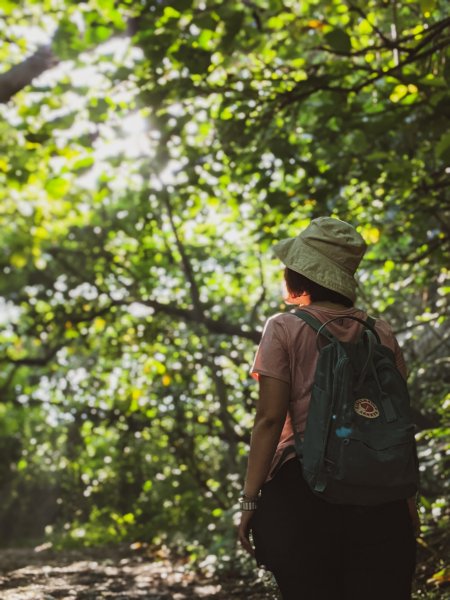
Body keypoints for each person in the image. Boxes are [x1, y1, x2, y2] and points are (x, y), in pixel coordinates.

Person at [237, 217, 419, 600]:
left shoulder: (284, 327)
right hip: (380, 497)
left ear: (299, 271)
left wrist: (250, 500)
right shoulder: (380, 331)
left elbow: (270, 420)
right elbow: (397, 423)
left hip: (303, 492)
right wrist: (407, 500)